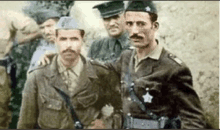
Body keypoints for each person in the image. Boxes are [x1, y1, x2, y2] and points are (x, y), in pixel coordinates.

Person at [105, 1, 206, 129]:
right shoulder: (126, 57)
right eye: (129, 24)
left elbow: (194, 120)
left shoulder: (173, 69)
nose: (134, 31)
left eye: (141, 24)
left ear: (155, 26)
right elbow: (102, 73)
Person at [17, 17, 121, 129]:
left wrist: (107, 124)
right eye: (63, 39)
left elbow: (122, 108)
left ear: (82, 40)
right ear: (56, 40)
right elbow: (26, 124)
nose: (68, 45)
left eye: (74, 39)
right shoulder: (37, 77)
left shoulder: (100, 73)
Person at [0, 10, 39, 129]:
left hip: (1, 68)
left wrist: (15, 42)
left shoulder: (7, 16)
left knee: (1, 111)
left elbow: (36, 29)